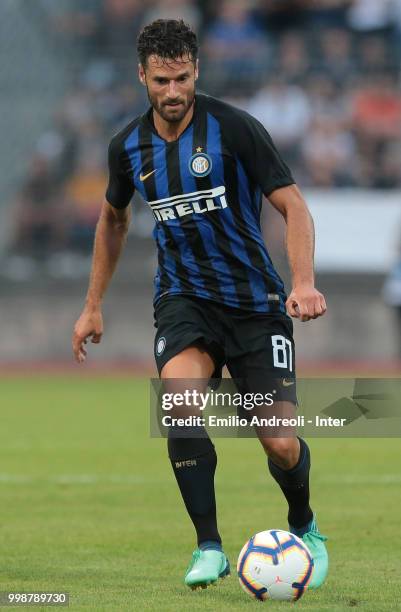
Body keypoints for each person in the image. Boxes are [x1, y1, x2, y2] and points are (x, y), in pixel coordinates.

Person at [72, 19, 328, 592]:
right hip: (184, 302)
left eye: (182, 78)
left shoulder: (235, 129)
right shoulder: (127, 148)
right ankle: (208, 545)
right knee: (180, 402)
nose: (172, 91)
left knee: (280, 443)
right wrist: (92, 305)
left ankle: (304, 524)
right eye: (161, 80)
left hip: (255, 305)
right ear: (142, 75)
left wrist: (304, 280)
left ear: (196, 71)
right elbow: (112, 219)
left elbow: (294, 207)